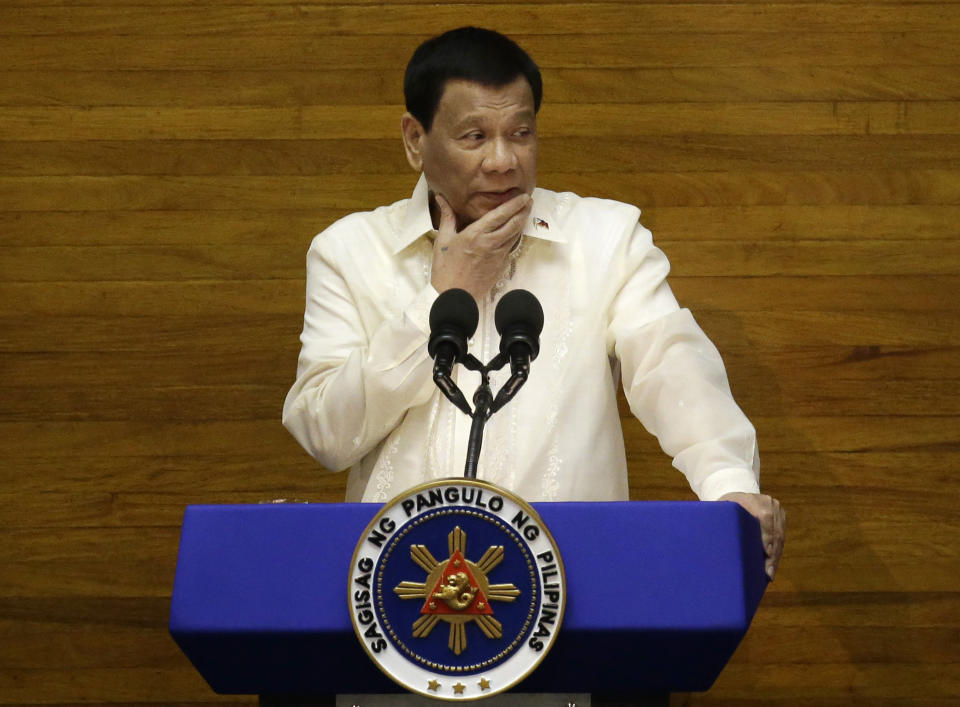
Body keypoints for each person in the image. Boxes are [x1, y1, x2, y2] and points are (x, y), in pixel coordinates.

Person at [283, 27, 785, 579]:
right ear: (414, 139)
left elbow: (672, 365)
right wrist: (444, 294)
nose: (502, 161)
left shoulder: (606, 238)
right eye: (474, 137)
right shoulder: (349, 251)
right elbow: (327, 435)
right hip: (402, 588)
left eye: (520, 133)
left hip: (573, 580)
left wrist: (729, 488)